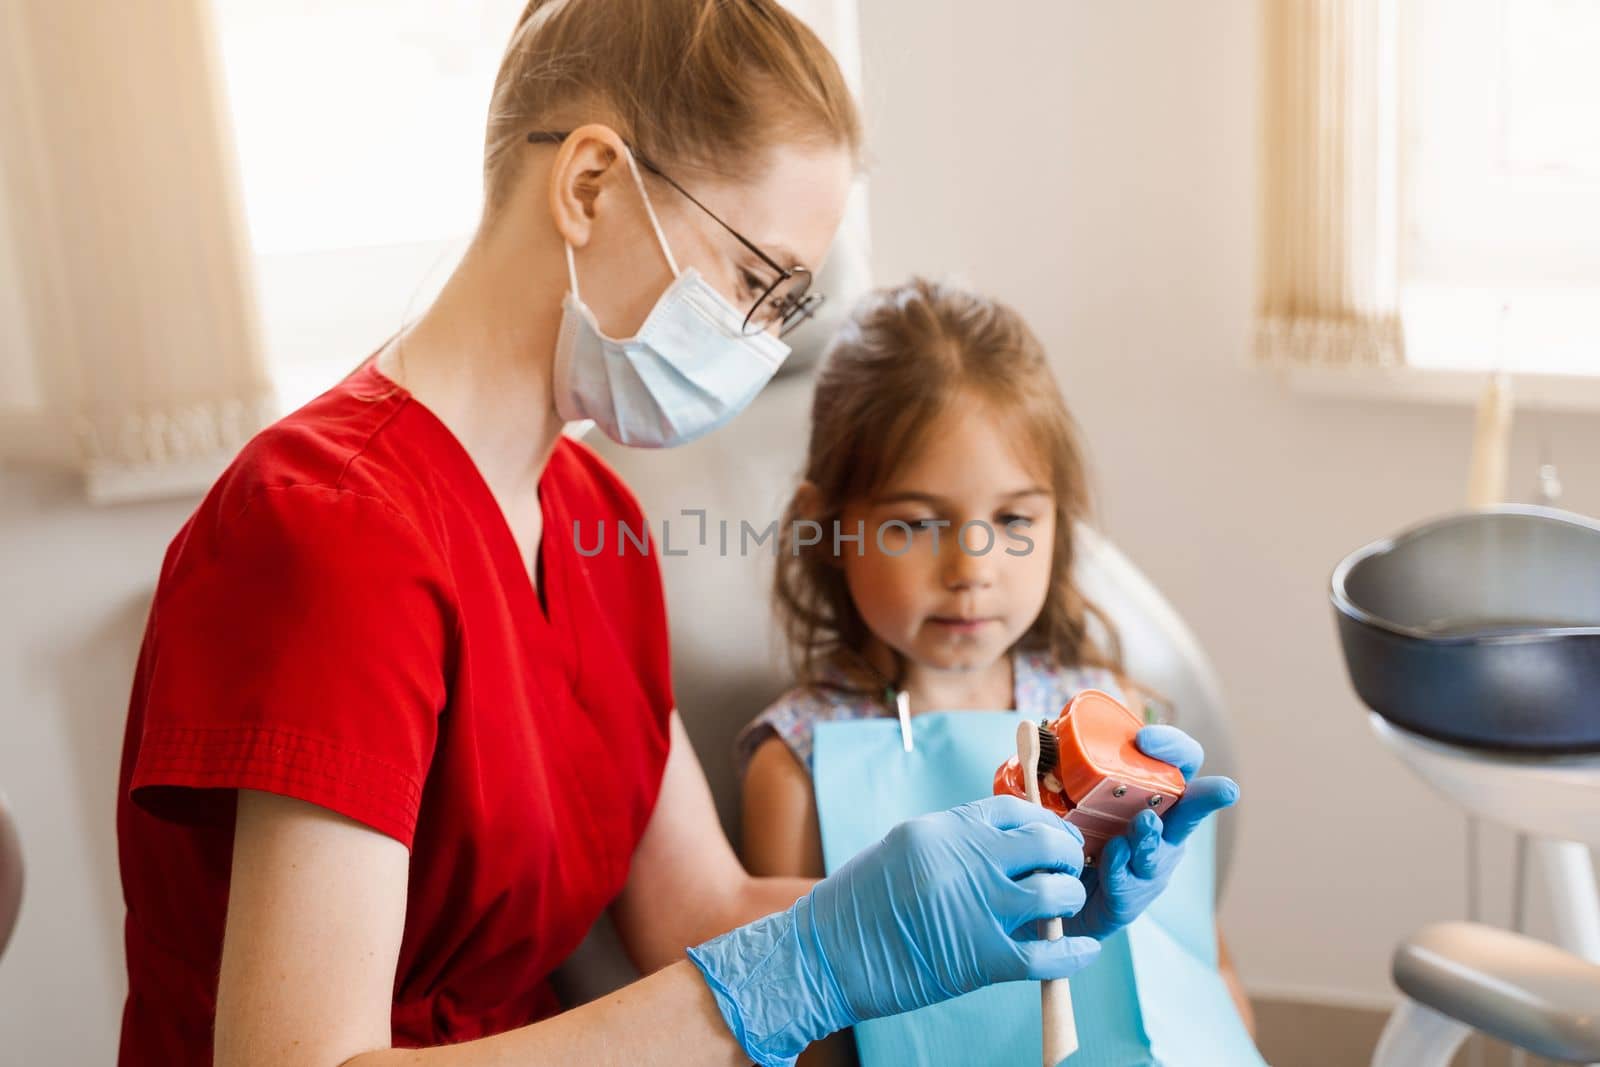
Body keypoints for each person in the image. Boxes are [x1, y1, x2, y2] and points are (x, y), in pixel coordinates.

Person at [114, 3, 1234, 1065]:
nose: (756, 345)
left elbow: (696, 910)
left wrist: (1011, 899)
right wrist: (811, 962)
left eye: (784, 306)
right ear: (590, 184)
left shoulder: (594, 521)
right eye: (752, 279)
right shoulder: (329, 536)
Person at [738, 278, 1252, 1063]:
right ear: (827, 527)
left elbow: (1203, 967)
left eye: (1012, 519)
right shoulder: (798, 766)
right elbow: (803, 1038)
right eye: (916, 522)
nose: (971, 565)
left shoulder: (1114, 721)